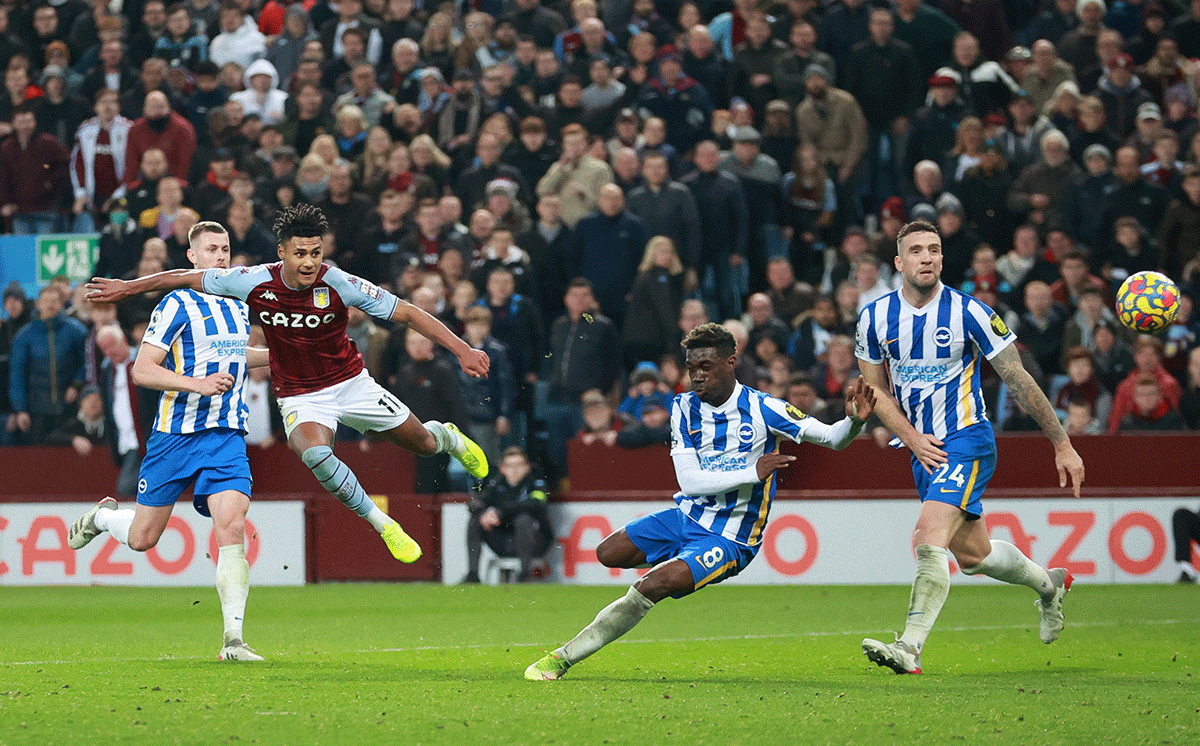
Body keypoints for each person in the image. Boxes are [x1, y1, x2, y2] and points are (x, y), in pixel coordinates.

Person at [86, 205, 491, 564]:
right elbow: (186, 276)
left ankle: (449, 438)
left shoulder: (340, 283)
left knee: (422, 442)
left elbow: (407, 313)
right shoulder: (253, 281)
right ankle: (383, 523)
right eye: (301, 253)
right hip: (300, 393)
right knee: (314, 452)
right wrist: (128, 287)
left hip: (351, 383)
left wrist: (461, 349)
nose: (310, 262)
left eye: (316, 253)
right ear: (282, 252)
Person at [525, 322, 875, 680]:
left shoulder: (765, 408)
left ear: (731, 362)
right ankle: (680, 563)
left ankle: (562, 658)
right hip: (687, 516)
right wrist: (752, 472)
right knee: (606, 553)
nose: (697, 376)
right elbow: (689, 482)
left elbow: (833, 438)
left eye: (705, 367)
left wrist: (854, 422)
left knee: (653, 585)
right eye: (692, 368)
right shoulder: (683, 408)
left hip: (731, 538)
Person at [855, 219, 1084, 675]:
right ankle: (1050, 584)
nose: (927, 257)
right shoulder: (874, 318)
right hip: (923, 449)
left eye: (935, 250)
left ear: (942, 258)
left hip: (966, 438)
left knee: (926, 537)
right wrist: (913, 438)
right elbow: (874, 391)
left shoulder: (970, 312)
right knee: (974, 556)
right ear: (899, 262)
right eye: (917, 250)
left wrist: (1062, 442)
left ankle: (910, 647)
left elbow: (1016, 377)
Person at [68, 222, 268, 662]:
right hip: (174, 436)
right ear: (192, 258)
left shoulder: (238, 305)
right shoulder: (177, 302)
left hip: (225, 435)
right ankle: (105, 518)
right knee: (142, 538)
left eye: (226, 249)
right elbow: (143, 369)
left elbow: (234, 354)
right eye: (212, 250)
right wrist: (197, 385)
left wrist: (274, 357)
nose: (221, 256)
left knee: (233, 524)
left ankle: (233, 640)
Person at [461, 446, 554, 584]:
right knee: (476, 520)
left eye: (519, 465)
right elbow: (475, 503)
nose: (514, 470)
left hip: (535, 541)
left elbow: (537, 504)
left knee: (523, 519)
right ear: (502, 468)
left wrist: (501, 512)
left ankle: (524, 575)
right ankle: (473, 575)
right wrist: (484, 514)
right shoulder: (496, 484)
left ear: (527, 466)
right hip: (504, 541)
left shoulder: (536, 483)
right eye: (510, 466)